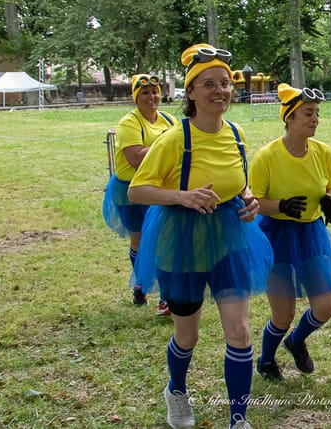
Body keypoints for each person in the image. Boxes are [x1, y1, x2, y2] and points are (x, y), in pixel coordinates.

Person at [128, 43, 272, 429]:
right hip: (183, 237)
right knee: (187, 334)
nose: (219, 91)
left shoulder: (237, 133)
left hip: (230, 237)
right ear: (190, 92)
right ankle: (176, 391)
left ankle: (238, 420)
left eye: (225, 83)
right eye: (208, 84)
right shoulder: (175, 139)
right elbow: (137, 190)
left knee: (239, 332)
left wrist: (249, 199)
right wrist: (182, 196)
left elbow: (240, 184)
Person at [249, 83, 331, 381]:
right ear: (289, 117)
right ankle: (265, 361)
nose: (315, 119)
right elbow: (254, 202)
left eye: (316, 113)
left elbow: (326, 186)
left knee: (326, 307)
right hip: (276, 235)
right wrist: (280, 205)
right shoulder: (267, 156)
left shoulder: (323, 152)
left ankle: (296, 340)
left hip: (310, 234)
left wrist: (327, 200)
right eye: (308, 113)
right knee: (282, 315)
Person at [102, 74, 176, 313]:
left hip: (159, 189)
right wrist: (165, 146)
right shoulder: (129, 123)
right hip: (131, 191)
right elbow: (135, 158)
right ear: (136, 97)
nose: (151, 97)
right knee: (141, 242)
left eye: (154, 91)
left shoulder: (168, 119)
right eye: (145, 93)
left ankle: (166, 297)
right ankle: (141, 285)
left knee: (164, 241)